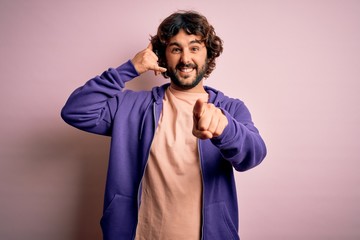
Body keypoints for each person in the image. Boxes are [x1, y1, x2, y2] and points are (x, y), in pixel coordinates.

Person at [61, 10, 266, 240]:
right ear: (163, 56)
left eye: (195, 48)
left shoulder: (230, 109)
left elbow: (254, 155)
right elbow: (75, 111)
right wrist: (129, 69)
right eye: (176, 49)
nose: (185, 59)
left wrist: (225, 129)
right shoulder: (130, 105)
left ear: (208, 55)